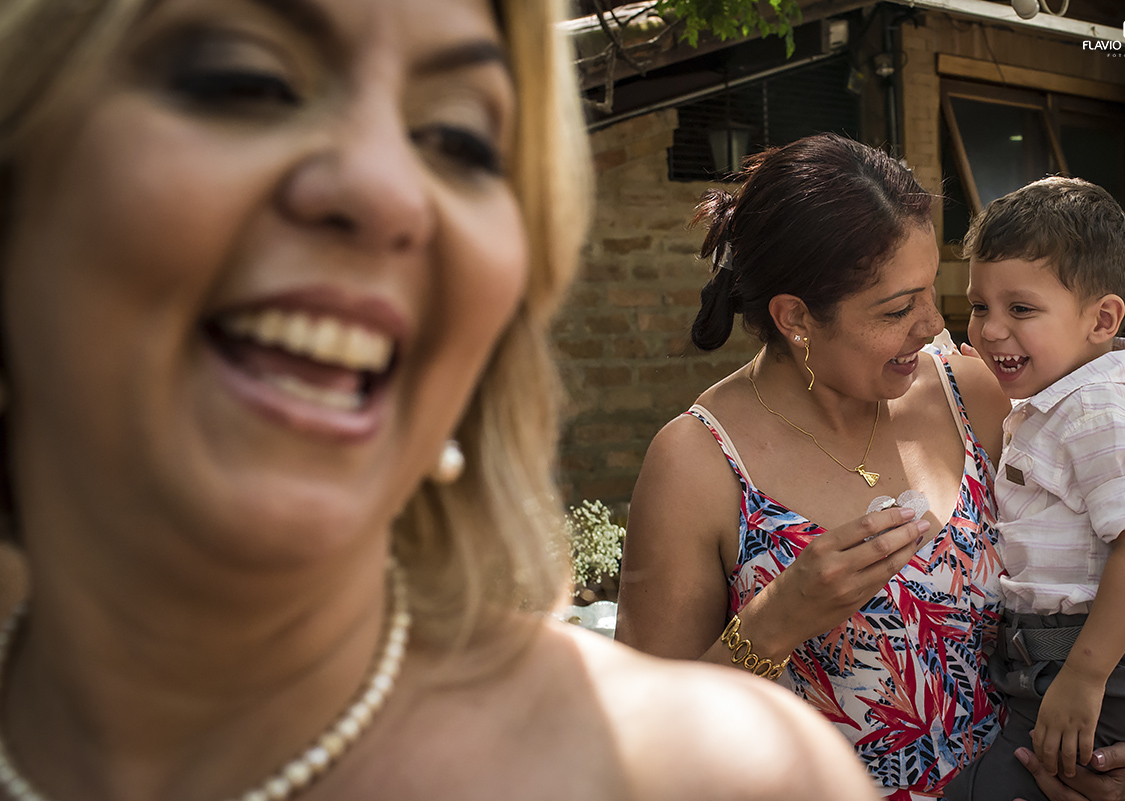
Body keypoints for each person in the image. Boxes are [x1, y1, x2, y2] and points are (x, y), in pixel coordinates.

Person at [0, 2, 882, 800]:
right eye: (247, 80)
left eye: (460, 140)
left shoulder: (713, 775)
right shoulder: (698, 452)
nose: (389, 191)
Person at [615, 134, 1125, 801]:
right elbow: (642, 745)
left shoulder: (979, 395)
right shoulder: (697, 465)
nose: (935, 322)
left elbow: (1121, 553)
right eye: (898, 308)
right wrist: (776, 623)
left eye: (932, 290)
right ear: (795, 318)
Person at [944, 178, 1125, 801]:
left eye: (1020, 310)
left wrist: (1085, 674)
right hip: (1054, 659)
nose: (991, 330)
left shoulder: (1094, 412)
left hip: (1091, 663)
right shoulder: (1055, 404)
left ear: (1102, 318)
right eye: (979, 307)